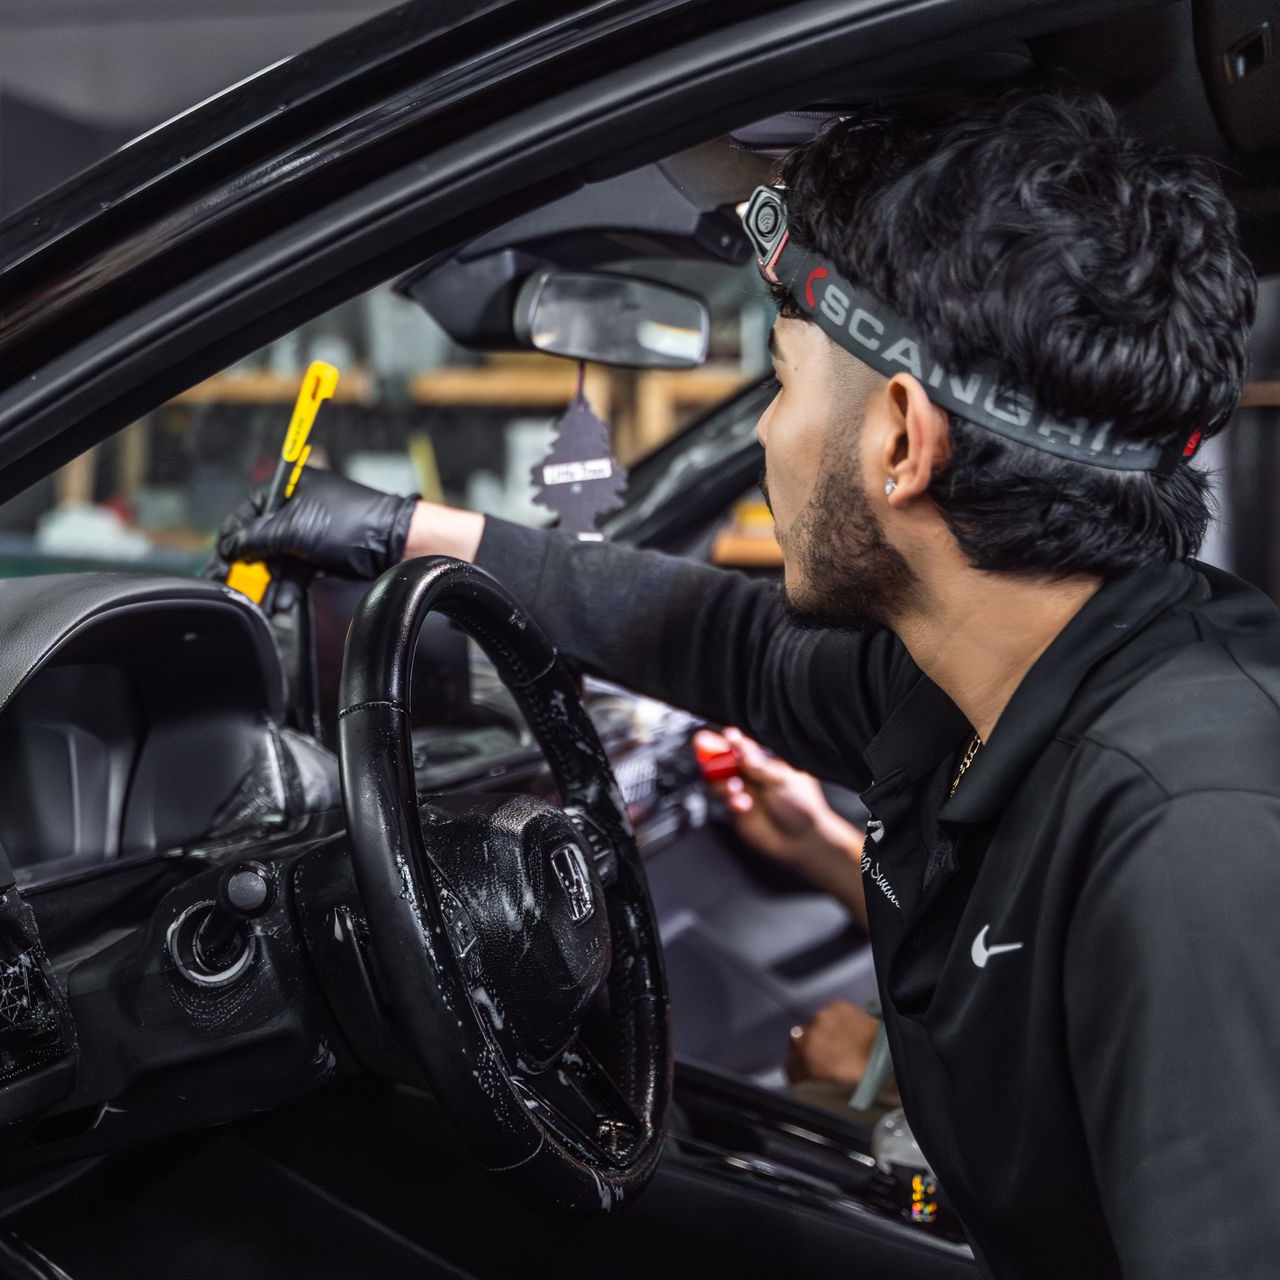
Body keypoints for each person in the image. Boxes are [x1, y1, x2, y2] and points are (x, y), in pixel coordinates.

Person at [217, 87, 1280, 1279]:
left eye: (781, 380)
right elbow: (723, 640)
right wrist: (411, 529)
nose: (771, 433)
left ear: (896, 439)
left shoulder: (1192, 838)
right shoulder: (980, 681)